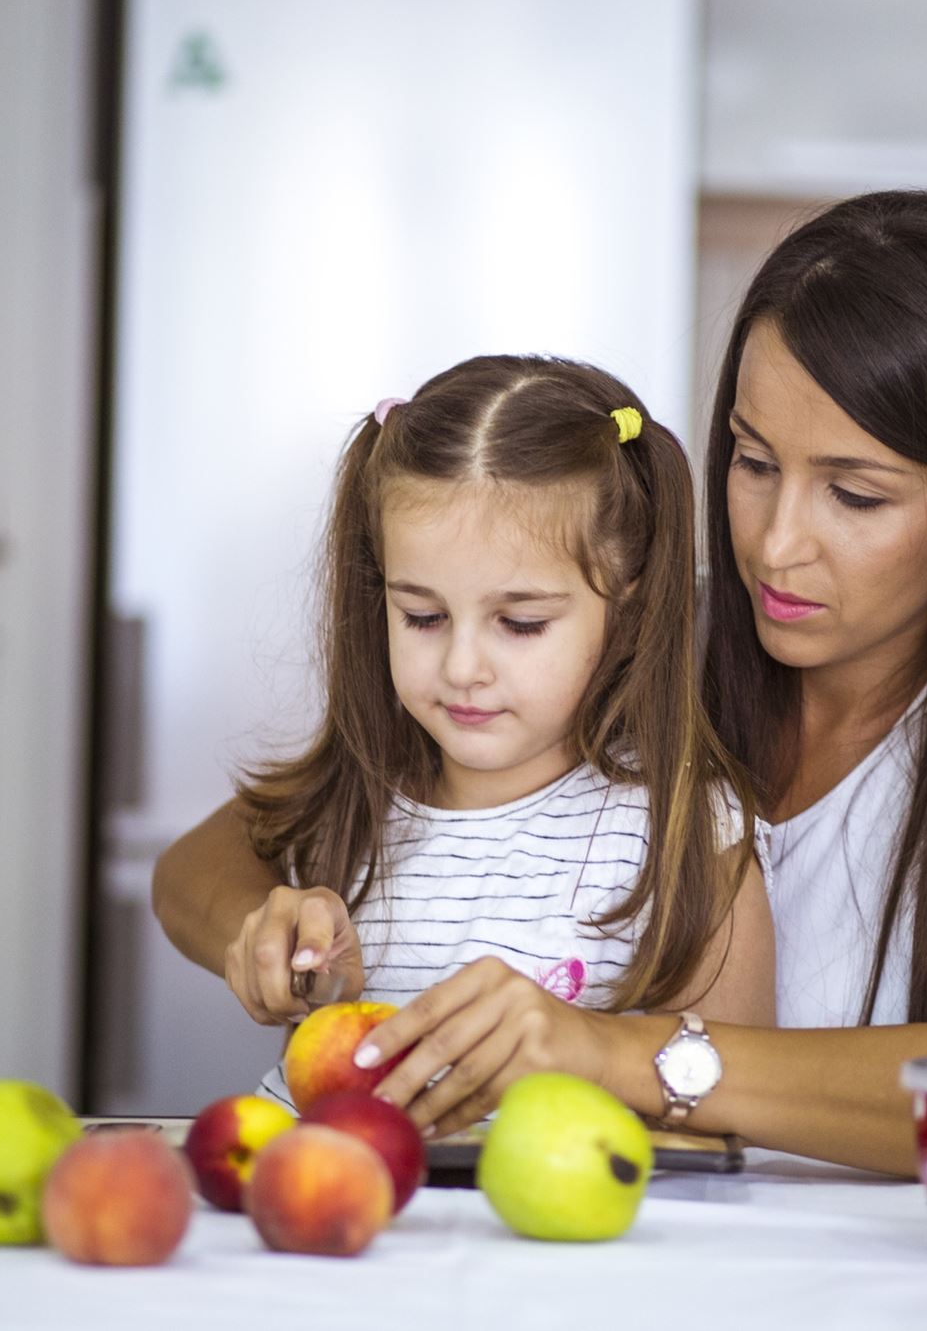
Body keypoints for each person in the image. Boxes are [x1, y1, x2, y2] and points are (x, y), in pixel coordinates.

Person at [158, 193, 927, 1171]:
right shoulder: (633, 631)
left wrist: (620, 1052)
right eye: (751, 462)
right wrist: (267, 931)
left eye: (854, 493)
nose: (775, 545)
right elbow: (223, 854)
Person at [160, 355, 775, 1110]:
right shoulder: (357, 791)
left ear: (631, 612)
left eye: (520, 623)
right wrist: (262, 928)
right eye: (422, 615)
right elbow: (180, 876)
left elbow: (722, 1106)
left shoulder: (684, 831)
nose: (461, 666)